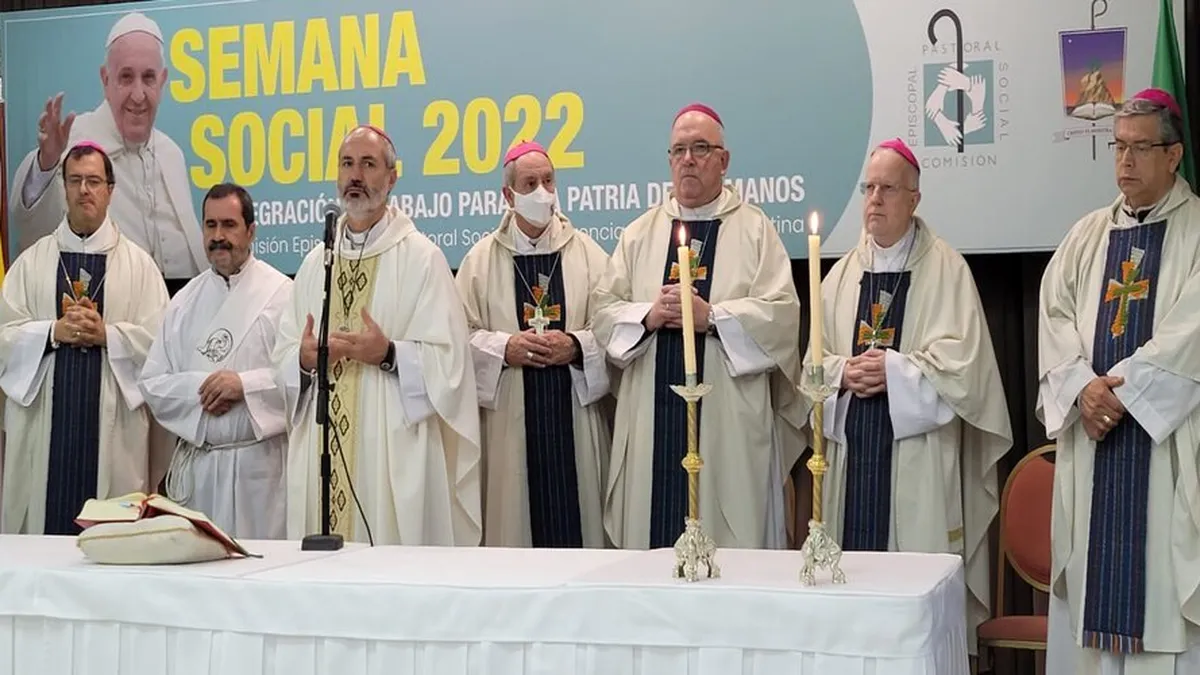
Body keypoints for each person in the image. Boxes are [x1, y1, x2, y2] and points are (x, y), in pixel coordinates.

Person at [804, 137, 1012, 652]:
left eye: (888, 189)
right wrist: (843, 373)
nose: (874, 200)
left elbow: (965, 372)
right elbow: (810, 368)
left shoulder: (947, 269)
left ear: (914, 198)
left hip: (918, 465)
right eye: (868, 188)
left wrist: (894, 371)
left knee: (912, 614)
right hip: (852, 461)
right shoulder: (840, 276)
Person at [590, 103, 803, 550]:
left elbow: (782, 315)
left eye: (701, 148)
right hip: (652, 421)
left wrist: (714, 318)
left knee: (729, 546)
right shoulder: (640, 233)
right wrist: (648, 316)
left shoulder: (755, 230)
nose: (688, 159)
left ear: (724, 160)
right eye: (679, 150)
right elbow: (604, 312)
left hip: (728, 425)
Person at [1040, 88, 1200, 674]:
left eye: (1141, 148)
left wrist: (1116, 392)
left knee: (1159, 601)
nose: (1126, 161)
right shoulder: (1086, 236)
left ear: (1174, 155)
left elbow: (1190, 334)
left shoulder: (1197, 231)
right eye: (1118, 147)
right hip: (1094, 446)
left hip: (1165, 451)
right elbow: (1054, 318)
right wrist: (1082, 389)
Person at [273, 125, 481, 546]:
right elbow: (284, 352)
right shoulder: (316, 263)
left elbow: (451, 362)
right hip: (323, 441)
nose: (356, 175)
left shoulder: (422, 258)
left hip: (392, 444)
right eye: (347, 164)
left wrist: (388, 354)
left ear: (392, 177)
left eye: (368, 164)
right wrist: (303, 360)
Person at [0, 142, 167, 534]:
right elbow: (4, 337)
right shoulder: (31, 263)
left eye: (93, 181)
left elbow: (162, 349)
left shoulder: (140, 267)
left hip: (114, 433)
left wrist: (109, 336)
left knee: (110, 538)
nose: (84, 190)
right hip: (45, 430)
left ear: (110, 189)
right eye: (75, 181)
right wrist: (51, 332)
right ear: (64, 187)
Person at [455, 140, 612, 548]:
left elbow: (613, 328)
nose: (542, 192)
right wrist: (503, 348)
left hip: (574, 420)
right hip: (509, 426)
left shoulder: (588, 254)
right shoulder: (480, 262)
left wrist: (575, 345)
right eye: (529, 184)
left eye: (548, 181)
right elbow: (456, 340)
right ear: (509, 196)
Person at [138, 183, 291, 539]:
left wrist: (244, 386)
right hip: (200, 470)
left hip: (260, 473)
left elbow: (302, 378)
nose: (218, 236)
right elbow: (153, 383)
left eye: (229, 225)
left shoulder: (283, 295)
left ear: (251, 231)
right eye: (210, 225)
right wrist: (202, 390)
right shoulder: (184, 301)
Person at [8, 11, 206, 285]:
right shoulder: (73, 141)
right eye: (126, 77)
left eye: (148, 78)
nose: (138, 95)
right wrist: (48, 161)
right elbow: (34, 231)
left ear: (162, 81)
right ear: (105, 80)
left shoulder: (171, 153)